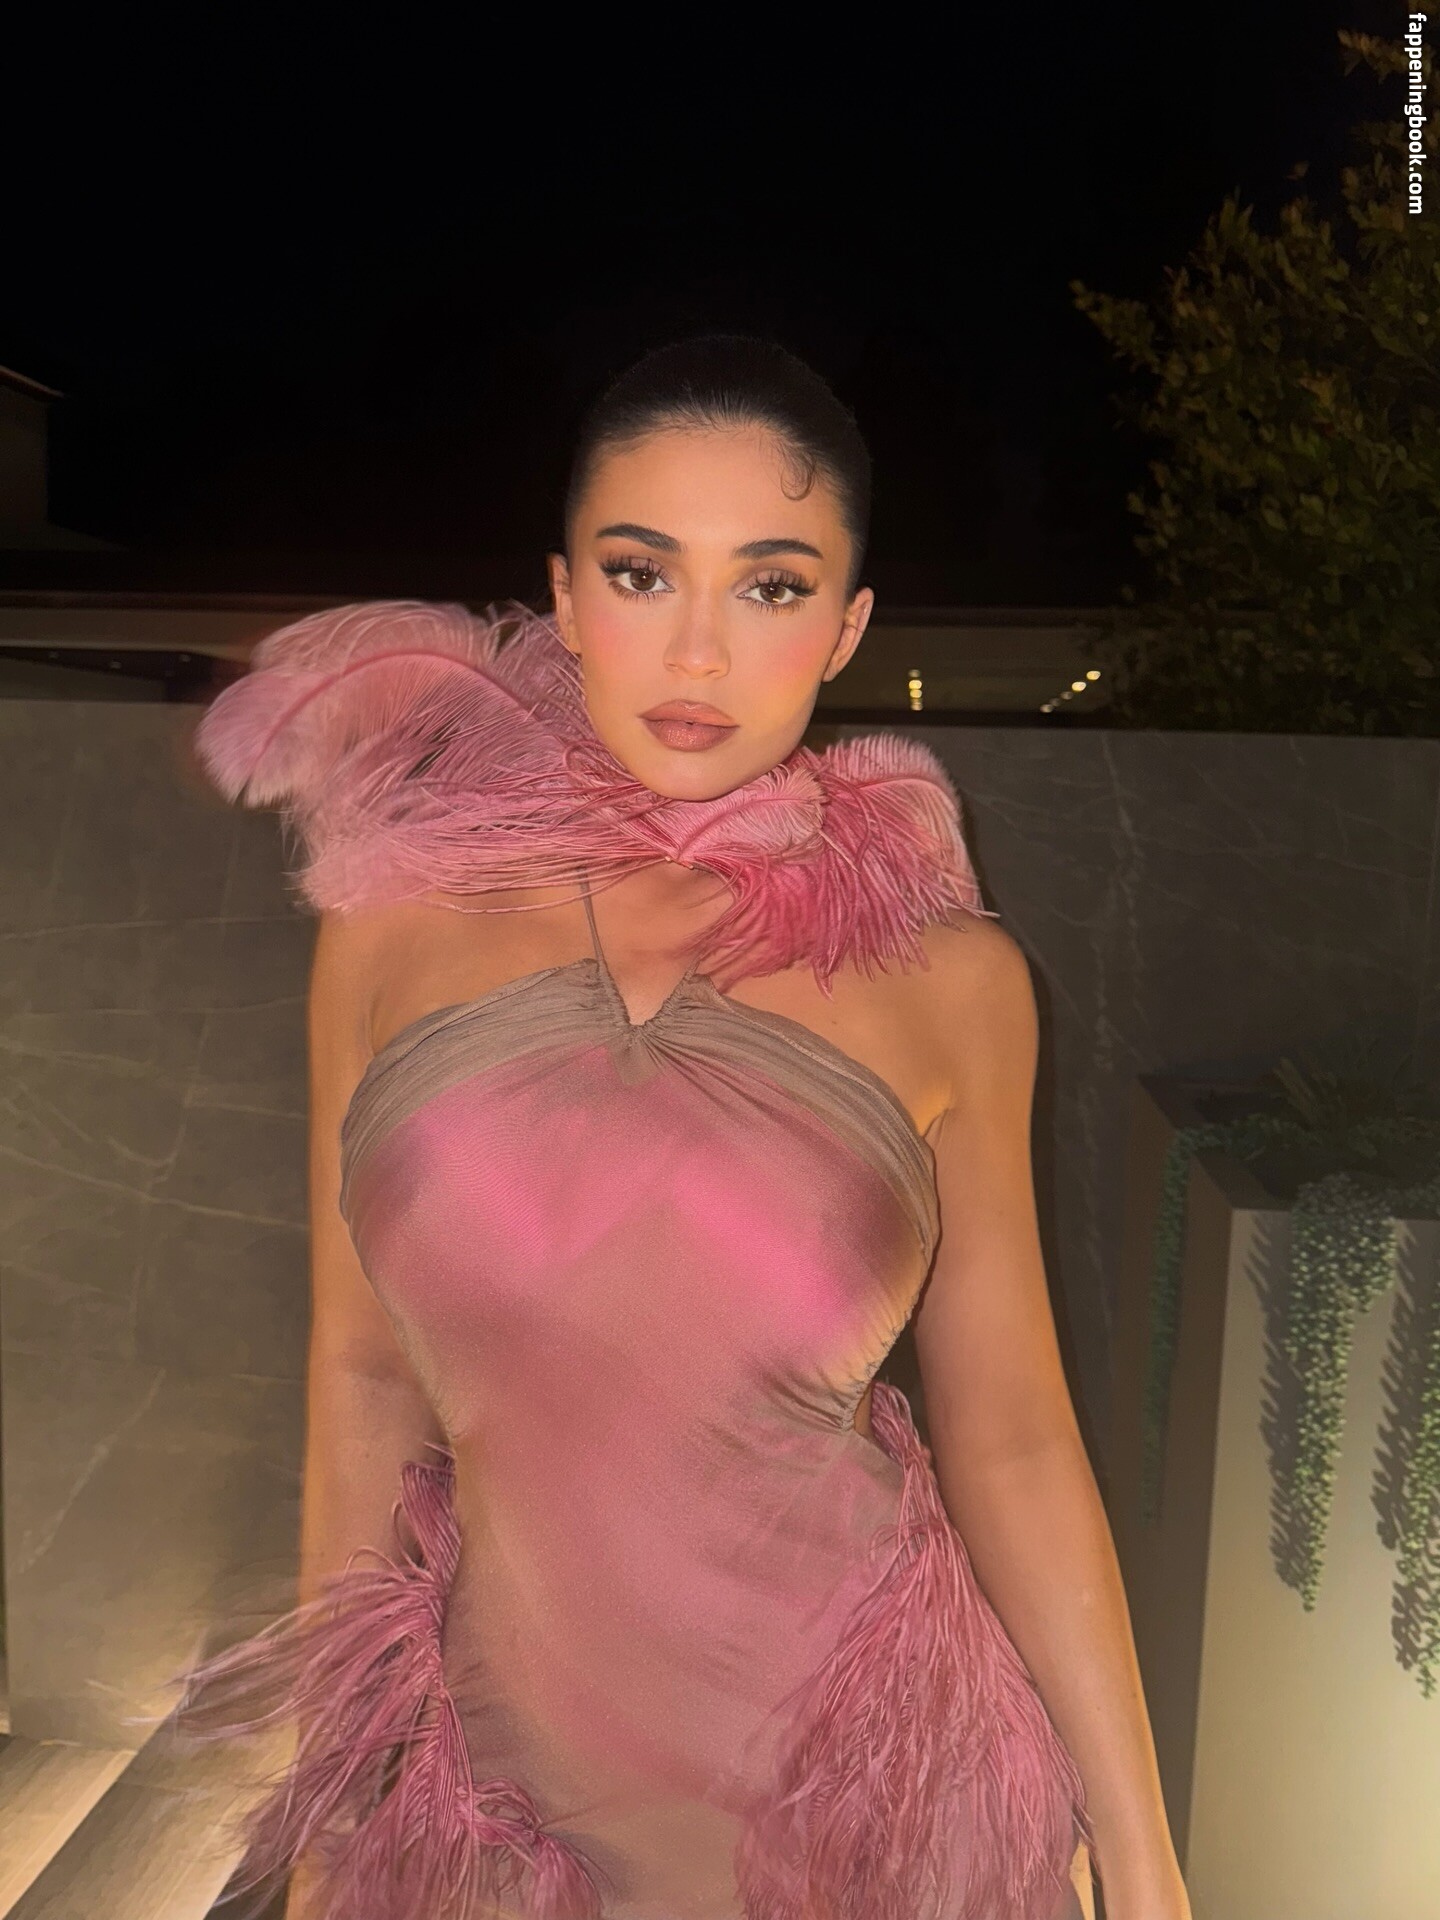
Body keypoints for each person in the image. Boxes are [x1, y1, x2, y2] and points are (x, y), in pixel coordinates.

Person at [166, 334, 1189, 1920]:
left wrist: (1146, 1864)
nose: (698, 650)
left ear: (847, 627)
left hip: (879, 1819)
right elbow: (361, 1378)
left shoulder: (954, 983)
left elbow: (1014, 1437)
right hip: (498, 1818)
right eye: (643, 574)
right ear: (566, 597)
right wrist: (326, 1821)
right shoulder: (387, 929)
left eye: (771, 587)